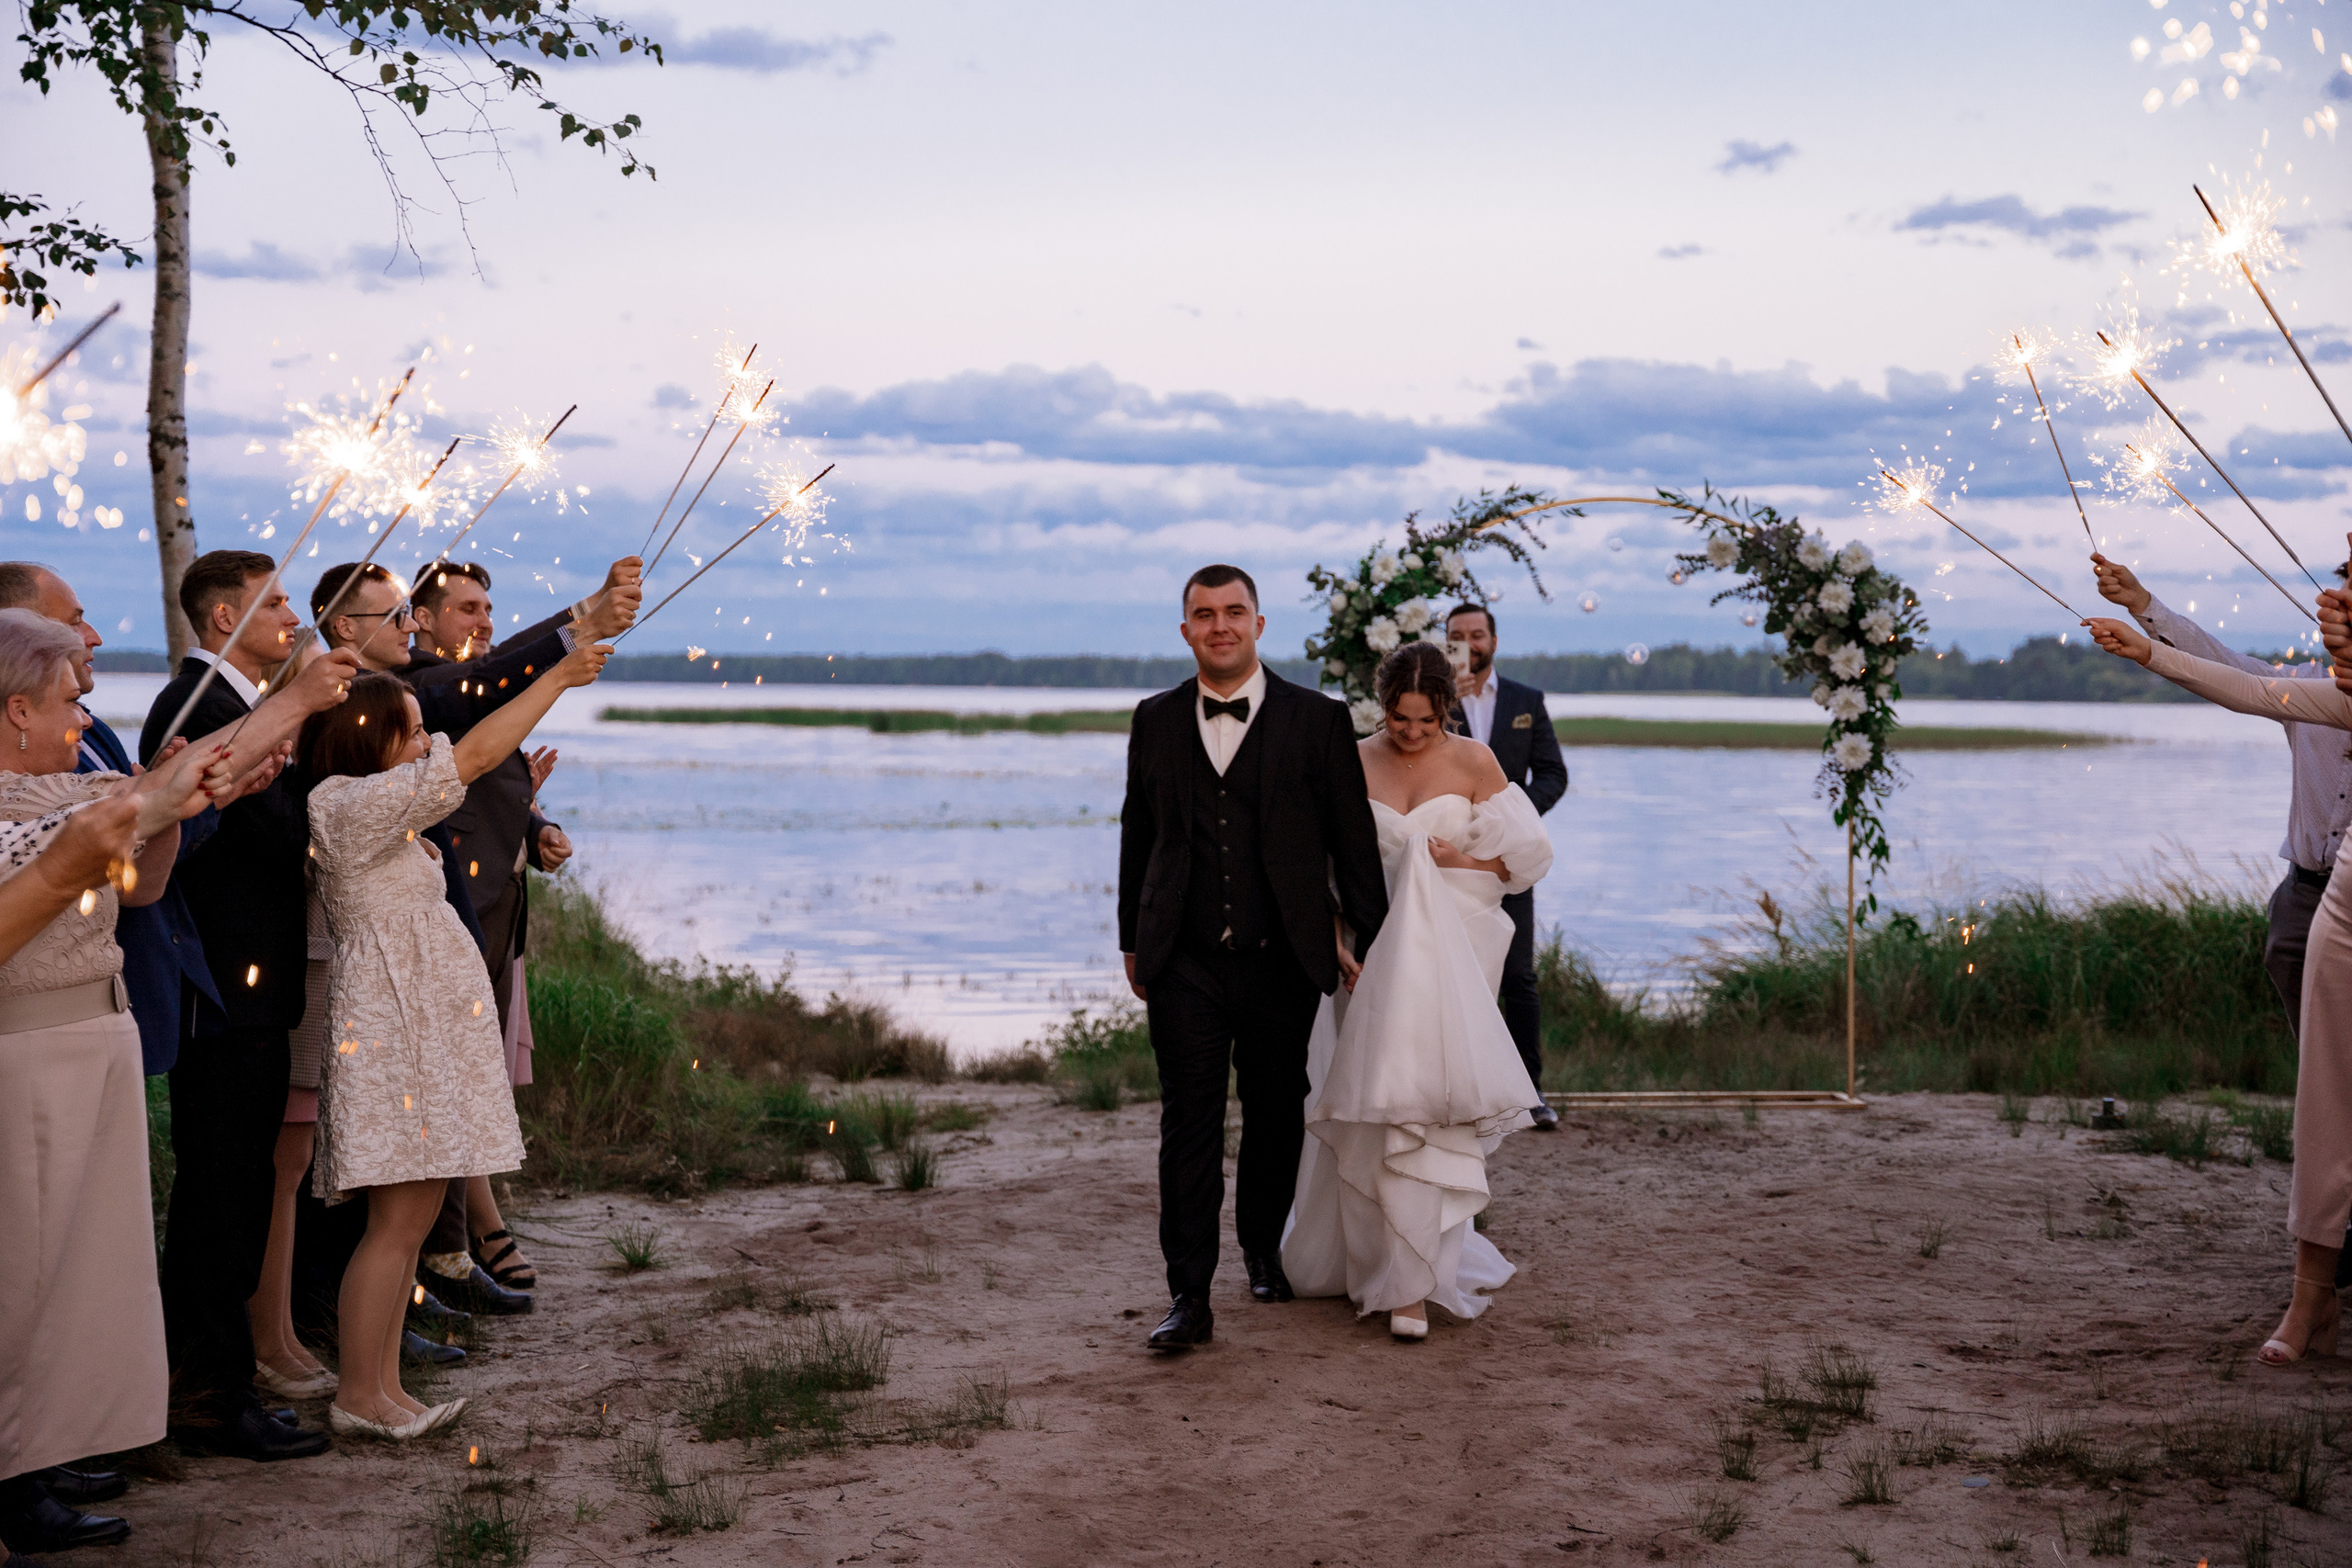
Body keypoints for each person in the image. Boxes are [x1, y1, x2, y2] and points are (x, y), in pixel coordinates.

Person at [302, 638, 610, 1438]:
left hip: (424, 1027)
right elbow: (472, 753)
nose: (419, 743)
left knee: (412, 1215)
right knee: (394, 1222)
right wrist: (558, 676)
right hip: (393, 1030)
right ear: (364, 737)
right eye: (405, 730)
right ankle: (356, 1397)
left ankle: (384, 1389)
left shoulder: (383, 809)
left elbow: (464, 770)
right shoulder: (341, 803)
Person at [0, 608, 239, 1555]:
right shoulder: (39, 813)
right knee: (20, 1279)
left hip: (95, 1034)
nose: (84, 713)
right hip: (28, 1054)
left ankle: (34, 1470)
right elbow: (67, 855)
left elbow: (133, 876)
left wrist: (167, 812)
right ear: (16, 710)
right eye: (70, 699)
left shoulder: (70, 788)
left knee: (69, 1280)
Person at [1117, 564, 1388, 1351]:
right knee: (1190, 1122)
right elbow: (1139, 833)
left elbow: (1352, 840)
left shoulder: (1318, 720)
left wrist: (1368, 937)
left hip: (1282, 958)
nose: (1220, 625)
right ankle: (1188, 1296)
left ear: (1260, 625)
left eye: (1234, 611)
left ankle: (1263, 1248)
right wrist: (1132, 940)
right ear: (1186, 631)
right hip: (1183, 959)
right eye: (1204, 614)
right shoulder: (1155, 718)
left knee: (1276, 1112)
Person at [2085, 603, 2351, 1364]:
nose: (2334, 619)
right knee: (2326, 1102)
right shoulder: (2316, 694)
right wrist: (2147, 641)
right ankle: (2314, 1298)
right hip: (2325, 901)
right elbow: (2238, 682)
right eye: (2337, 601)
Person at [139, 550, 361, 1461]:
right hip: (224, 992)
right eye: (273, 603)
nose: (290, 619)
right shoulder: (200, 709)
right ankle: (207, 1399)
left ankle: (213, 1386)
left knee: (231, 1195)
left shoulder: (243, 707)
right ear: (223, 615)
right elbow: (265, 831)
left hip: (250, 993)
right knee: (218, 1201)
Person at [1280, 641, 1552, 1339]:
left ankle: (1418, 1277)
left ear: (1446, 712)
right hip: (1369, 960)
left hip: (1454, 956)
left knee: (1434, 1107)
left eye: (1424, 722)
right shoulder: (1353, 757)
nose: (1410, 733)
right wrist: (1334, 941)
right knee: (1377, 1106)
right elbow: (1326, 865)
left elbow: (1525, 859)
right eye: (1400, 719)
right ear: (1383, 706)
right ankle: (1370, 1262)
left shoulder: (1475, 762)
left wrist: (1460, 857)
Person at [402, 557, 635, 1303]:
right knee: (445, 1082)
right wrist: (579, 622)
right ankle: (450, 1253)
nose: (483, 623)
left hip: (497, 903)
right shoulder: (420, 686)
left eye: (488, 609)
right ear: (423, 618)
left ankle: (463, 1243)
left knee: (473, 1079)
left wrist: (535, 825)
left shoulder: (465, 679)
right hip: (446, 904)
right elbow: (490, 690)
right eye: (466, 608)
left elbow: (491, 773)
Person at [0, 562, 234, 1074]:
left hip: (110, 1019)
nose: (93, 636)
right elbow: (132, 806)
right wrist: (296, 701)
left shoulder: (87, 744)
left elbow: (141, 865)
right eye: (74, 621)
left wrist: (178, 799)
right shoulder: (41, 793)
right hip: (35, 1043)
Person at [1444, 603, 1568, 1130]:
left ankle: (1529, 1092)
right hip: (1444, 858)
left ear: (1494, 640)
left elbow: (1552, 775)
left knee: (1517, 976)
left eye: (1477, 634)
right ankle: (1453, 1088)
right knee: (1448, 972)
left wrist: (1511, 821)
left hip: (1507, 861)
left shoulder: (1525, 701)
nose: (1469, 642)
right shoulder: (1430, 700)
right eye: (1457, 635)